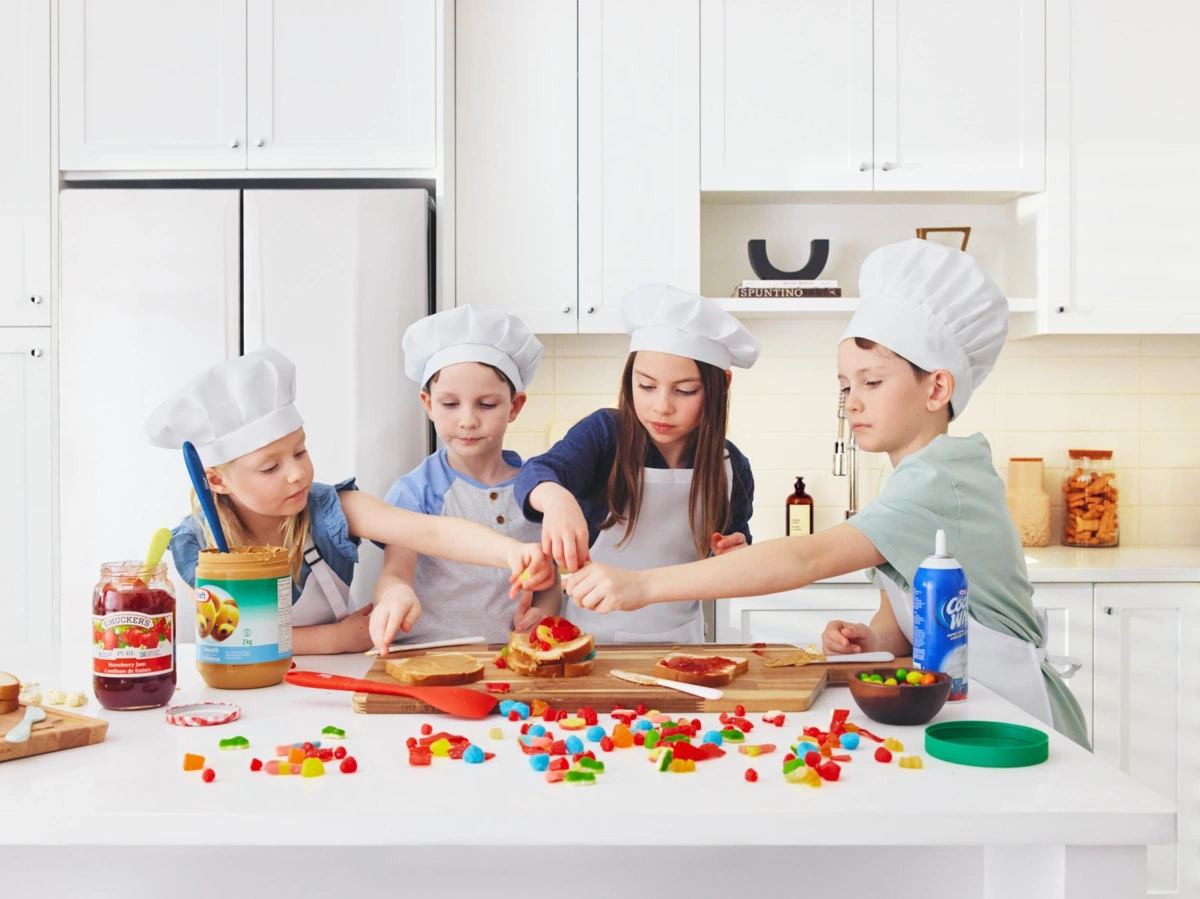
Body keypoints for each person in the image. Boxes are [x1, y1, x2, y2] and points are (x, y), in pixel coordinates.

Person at [563, 241, 1090, 747]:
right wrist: (872, 643)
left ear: (936, 389)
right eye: (846, 386)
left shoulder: (939, 478)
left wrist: (643, 585)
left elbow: (806, 555)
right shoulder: (910, 476)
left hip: (1016, 710)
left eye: (872, 382)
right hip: (966, 704)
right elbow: (901, 623)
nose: (852, 403)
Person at [148, 346, 555, 655]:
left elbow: (427, 530)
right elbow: (228, 638)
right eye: (270, 468)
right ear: (216, 480)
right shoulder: (196, 544)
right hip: (246, 688)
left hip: (332, 686)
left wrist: (511, 552)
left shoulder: (328, 508)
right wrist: (338, 637)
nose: (296, 473)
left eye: (300, 452)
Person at [514, 284, 760, 644]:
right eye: (646, 386)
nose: (662, 406)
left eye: (685, 391)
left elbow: (736, 561)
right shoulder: (605, 435)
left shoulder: (730, 466)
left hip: (683, 644)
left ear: (721, 385)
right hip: (589, 641)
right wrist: (556, 500)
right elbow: (537, 472)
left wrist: (734, 554)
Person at [369, 306, 561, 654]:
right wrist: (394, 594)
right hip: (427, 656)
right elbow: (395, 573)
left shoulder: (538, 490)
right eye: (450, 404)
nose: (468, 420)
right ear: (428, 404)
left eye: (486, 404)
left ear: (515, 406)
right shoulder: (416, 491)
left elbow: (549, 580)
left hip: (510, 660)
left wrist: (543, 616)